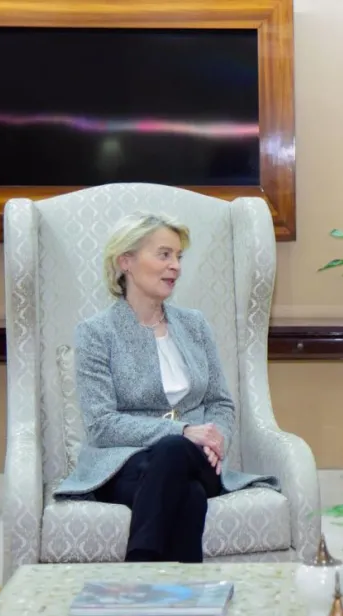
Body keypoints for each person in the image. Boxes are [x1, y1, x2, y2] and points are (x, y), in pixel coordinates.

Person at [53, 211, 278, 563]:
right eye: (164, 254)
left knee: (176, 452)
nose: (175, 266)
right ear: (125, 261)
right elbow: (100, 424)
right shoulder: (97, 332)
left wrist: (216, 442)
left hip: (200, 461)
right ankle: (184, 600)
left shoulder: (194, 325)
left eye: (178, 256)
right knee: (186, 494)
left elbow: (220, 403)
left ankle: (137, 571)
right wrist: (183, 430)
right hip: (124, 465)